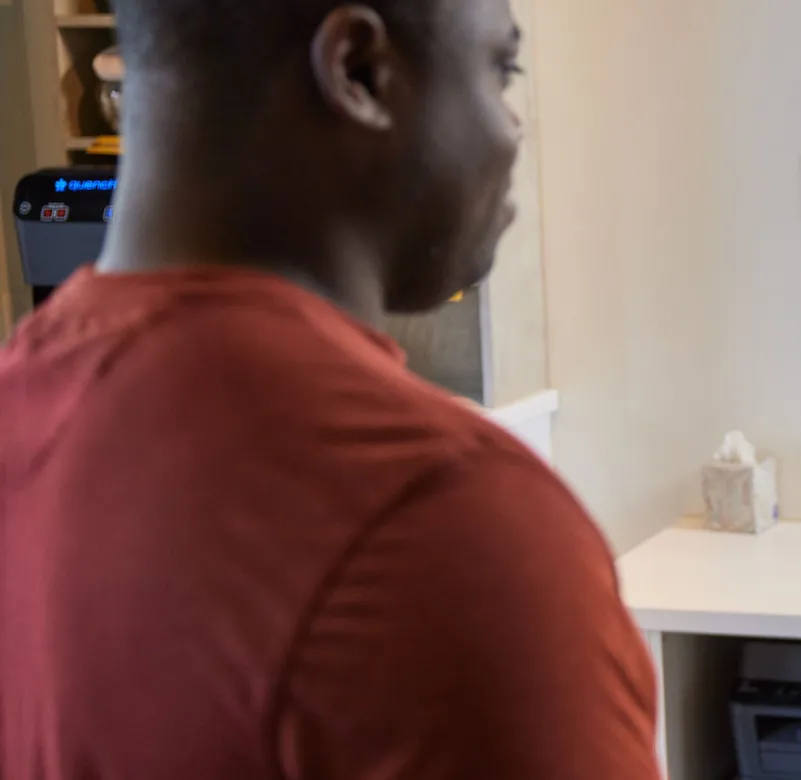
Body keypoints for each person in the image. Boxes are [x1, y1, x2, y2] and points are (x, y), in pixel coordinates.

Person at [0, 1, 660, 778]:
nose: (514, 128)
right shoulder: (444, 525)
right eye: (498, 70)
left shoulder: (23, 413)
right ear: (358, 72)